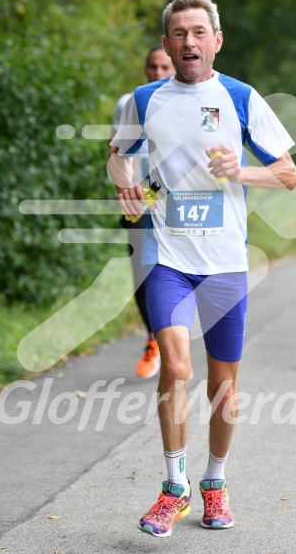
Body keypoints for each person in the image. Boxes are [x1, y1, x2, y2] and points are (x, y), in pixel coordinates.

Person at [108, 0, 296, 537]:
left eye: (198, 32)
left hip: (224, 265)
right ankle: (174, 488)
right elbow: (118, 158)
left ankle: (214, 483)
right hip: (168, 258)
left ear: (216, 40)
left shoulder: (239, 96)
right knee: (176, 366)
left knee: (223, 388)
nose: (188, 42)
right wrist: (127, 186)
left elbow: (287, 173)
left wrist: (241, 171)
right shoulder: (144, 100)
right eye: (179, 33)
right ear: (167, 42)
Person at [110, 44, 175, 378]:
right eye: (153, 67)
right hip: (139, 203)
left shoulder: (184, 104)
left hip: (177, 204)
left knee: (172, 273)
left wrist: (153, 193)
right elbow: (117, 154)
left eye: (165, 67)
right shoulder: (127, 103)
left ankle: (171, 337)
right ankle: (154, 339)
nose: (158, 73)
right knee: (141, 278)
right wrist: (128, 189)